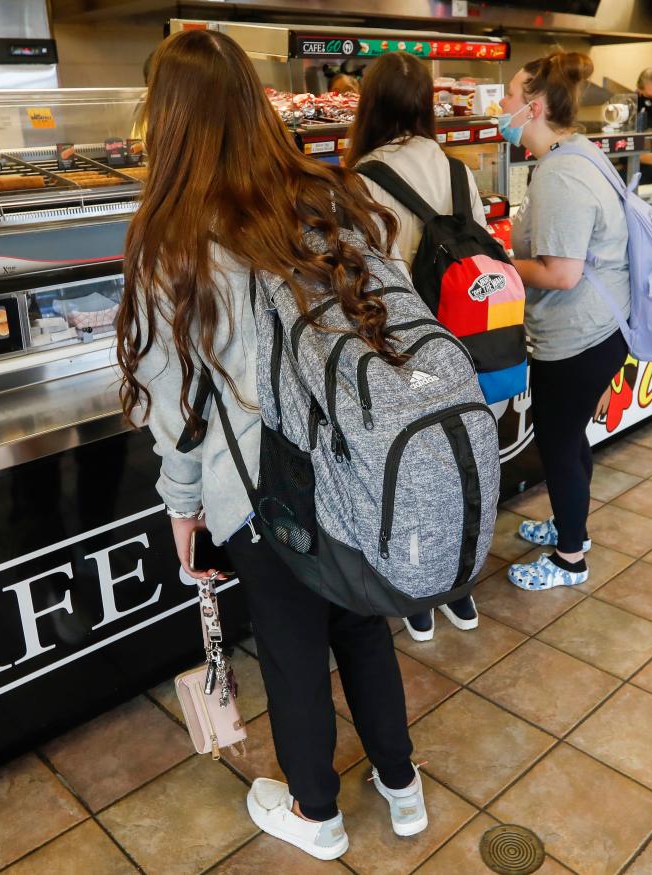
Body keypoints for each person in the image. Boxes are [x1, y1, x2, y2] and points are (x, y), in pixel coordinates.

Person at [115, 29, 427, 862]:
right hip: (357, 465)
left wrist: (183, 507)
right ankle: (403, 791)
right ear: (254, 104)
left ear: (169, 119)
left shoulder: (172, 239)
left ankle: (317, 814)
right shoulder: (328, 194)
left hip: (263, 487)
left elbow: (177, 404)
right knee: (362, 626)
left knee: (292, 652)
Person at [343, 51, 483, 644]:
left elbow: (360, 272)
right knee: (462, 455)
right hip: (463, 336)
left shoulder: (359, 180)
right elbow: (478, 252)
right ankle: (463, 589)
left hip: (399, 343)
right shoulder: (458, 169)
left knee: (411, 463)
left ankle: (421, 599)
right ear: (426, 103)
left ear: (368, 104)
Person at [497, 51, 630, 590]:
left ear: (532, 107)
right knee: (570, 439)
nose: (500, 106)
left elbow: (562, 273)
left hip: (579, 336)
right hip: (598, 328)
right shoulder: (577, 153)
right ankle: (569, 526)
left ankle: (570, 559)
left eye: (507, 96)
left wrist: (502, 263)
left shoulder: (561, 175)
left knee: (556, 444)